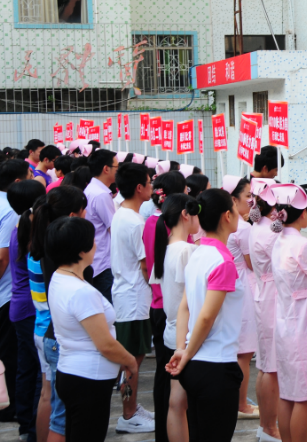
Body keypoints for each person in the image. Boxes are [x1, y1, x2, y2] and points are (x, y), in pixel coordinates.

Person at [47, 217, 137, 442]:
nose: (96, 244)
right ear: (81, 250)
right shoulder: (81, 292)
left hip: (72, 372)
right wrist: (130, 360)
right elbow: (105, 344)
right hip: (88, 379)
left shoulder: (59, 277)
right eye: (93, 240)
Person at [166, 189, 245, 442]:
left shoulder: (198, 253)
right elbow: (206, 317)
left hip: (197, 366)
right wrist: (185, 354)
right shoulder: (222, 261)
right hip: (216, 367)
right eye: (235, 208)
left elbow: (185, 308)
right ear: (227, 216)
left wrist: (182, 350)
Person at [30, 186, 88, 442]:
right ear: (73, 215)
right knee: (61, 414)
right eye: (83, 211)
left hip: (44, 328)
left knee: (49, 398)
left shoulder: (42, 243)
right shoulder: (61, 254)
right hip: (56, 333)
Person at [264, 184, 307, 442]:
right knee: (304, 398)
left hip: (285, 323)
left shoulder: (280, 241)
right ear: (304, 213)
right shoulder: (302, 245)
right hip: (302, 328)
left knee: (287, 394)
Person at [109, 163, 156, 433]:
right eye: (149, 183)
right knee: (131, 361)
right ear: (139, 188)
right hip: (135, 298)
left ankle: (132, 408)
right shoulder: (136, 222)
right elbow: (145, 266)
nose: (152, 187)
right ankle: (128, 415)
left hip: (127, 294)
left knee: (133, 358)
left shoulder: (122, 214)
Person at [141, 172, 186, 442]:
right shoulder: (175, 233)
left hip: (158, 304)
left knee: (163, 372)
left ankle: (163, 432)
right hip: (172, 308)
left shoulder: (151, 222)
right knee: (173, 377)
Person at [152, 194, 199, 442]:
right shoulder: (186, 250)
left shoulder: (167, 248)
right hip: (187, 335)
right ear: (185, 215)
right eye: (197, 211)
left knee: (175, 402)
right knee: (184, 405)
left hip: (172, 332)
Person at [8, 180, 47, 442]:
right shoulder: (31, 233)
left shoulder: (19, 227)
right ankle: (34, 429)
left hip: (19, 307)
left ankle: (25, 424)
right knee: (39, 374)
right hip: (30, 309)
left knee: (26, 368)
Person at [246, 179, 281, 442]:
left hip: (264, 293)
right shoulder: (270, 232)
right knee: (271, 368)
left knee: (265, 366)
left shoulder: (258, 227)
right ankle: (270, 427)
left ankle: (266, 426)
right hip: (272, 296)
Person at [0, 159, 33, 424]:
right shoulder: (12, 212)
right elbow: (2, 258)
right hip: (8, 295)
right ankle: (10, 407)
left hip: (10, 296)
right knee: (12, 355)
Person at [224, 177, 258, 421]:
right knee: (244, 353)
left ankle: (234, 401)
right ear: (234, 199)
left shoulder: (225, 223)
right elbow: (251, 263)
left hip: (229, 287)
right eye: (248, 195)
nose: (252, 200)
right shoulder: (243, 228)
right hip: (243, 288)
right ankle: (242, 404)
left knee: (235, 350)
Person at [84, 150, 118, 302]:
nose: (118, 171)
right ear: (106, 169)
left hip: (95, 260)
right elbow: (113, 229)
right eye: (117, 167)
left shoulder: (92, 189)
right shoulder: (101, 195)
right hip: (103, 264)